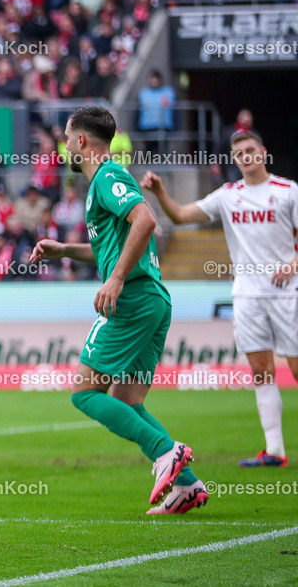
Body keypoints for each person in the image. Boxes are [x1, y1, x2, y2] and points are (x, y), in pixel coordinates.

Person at [31, 106, 207, 515]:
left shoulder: (107, 176)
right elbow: (111, 247)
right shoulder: (103, 183)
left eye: (66, 139)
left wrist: (117, 279)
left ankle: (166, 451)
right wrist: (65, 251)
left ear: (80, 141)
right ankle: (187, 486)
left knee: (84, 393)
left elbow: (146, 221)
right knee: (127, 399)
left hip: (132, 299)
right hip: (153, 301)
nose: (64, 148)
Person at [141, 130, 298, 468]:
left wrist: (293, 264)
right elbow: (182, 216)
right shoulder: (228, 196)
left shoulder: (288, 192)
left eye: (250, 150)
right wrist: (160, 193)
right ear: (234, 158)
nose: (245, 156)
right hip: (247, 295)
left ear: (263, 152)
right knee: (261, 371)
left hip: (288, 292)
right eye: (239, 152)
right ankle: (274, 451)